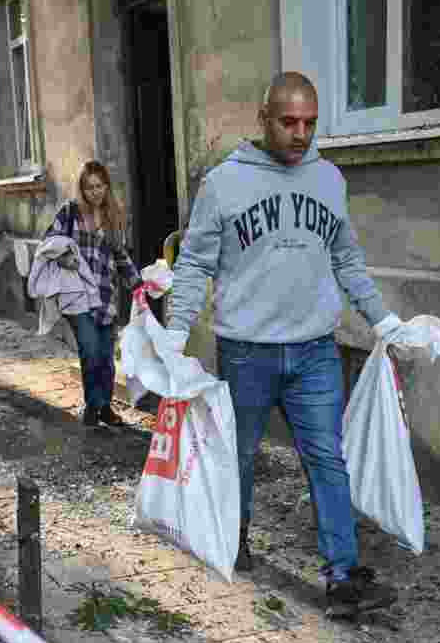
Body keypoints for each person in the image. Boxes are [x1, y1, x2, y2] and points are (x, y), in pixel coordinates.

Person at [165, 72, 411, 615]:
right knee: (241, 456)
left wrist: (384, 321)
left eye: (310, 123)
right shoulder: (224, 184)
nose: (301, 133)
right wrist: (175, 334)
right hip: (246, 351)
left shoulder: (329, 179)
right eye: (289, 122)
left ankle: (343, 576)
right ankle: (235, 534)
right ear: (264, 118)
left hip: (314, 350)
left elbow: (346, 258)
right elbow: (195, 263)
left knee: (327, 459)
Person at [46, 161, 142, 427]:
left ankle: (105, 407)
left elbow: (120, 255)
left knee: (106, 356)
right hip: (77, 296)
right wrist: (65, 259)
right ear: (82, 189)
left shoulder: (113, 215)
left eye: (99, 186)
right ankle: (93, 405)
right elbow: (49, 243)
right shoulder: (70, 212)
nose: (95, 192)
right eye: (89, 187)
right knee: (90, 351)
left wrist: (138, 284)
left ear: (106, 186)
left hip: (104, 294)